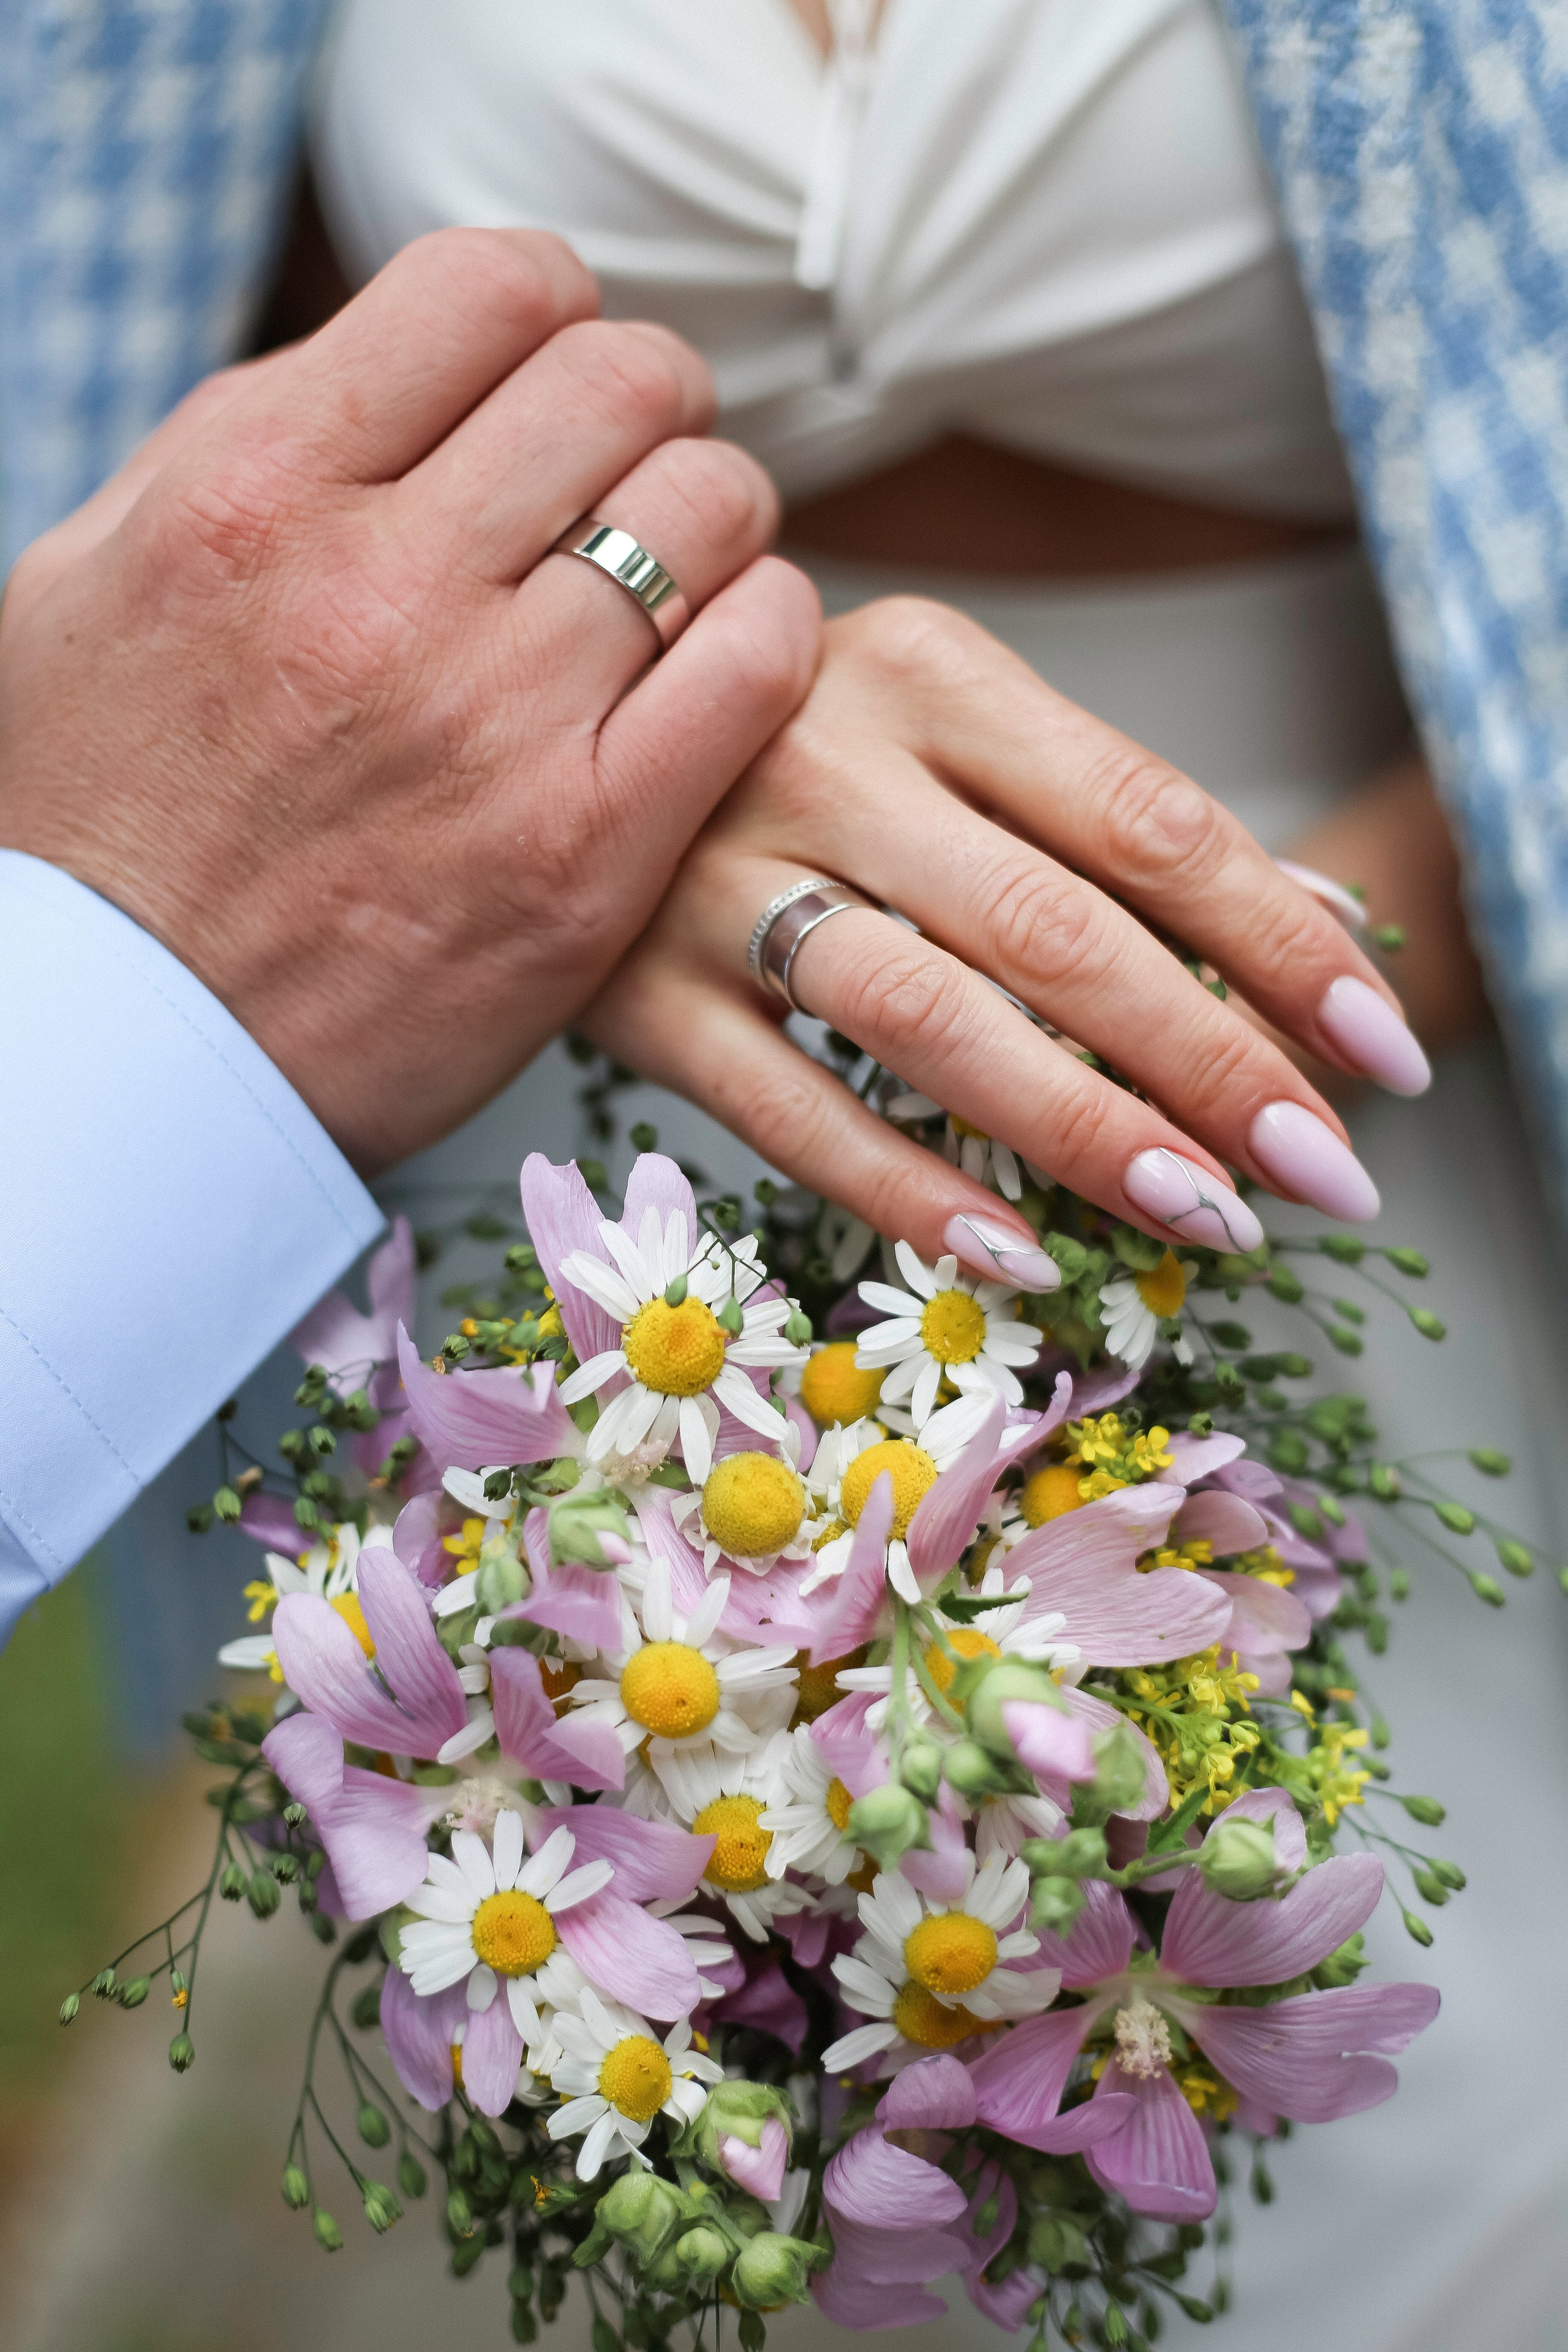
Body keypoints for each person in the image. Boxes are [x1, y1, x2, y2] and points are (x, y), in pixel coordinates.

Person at [2, 2, 1566, 2345]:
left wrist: (1284, 978)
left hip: (1334, 1084)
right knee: (578, 2015)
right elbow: (177, 395)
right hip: (556, 1103)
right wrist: (624, 774)